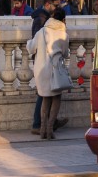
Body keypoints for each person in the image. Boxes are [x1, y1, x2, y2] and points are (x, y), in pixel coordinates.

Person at [28, 7, 70, 139]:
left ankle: (42, 130)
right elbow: (65, 53)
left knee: (45, 98)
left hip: (41, 70)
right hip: (55, 71)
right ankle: (50, 129)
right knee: (56, 98)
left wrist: (29, 42)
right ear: (63, 19)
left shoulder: (42, 31)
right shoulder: (64, 34)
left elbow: (31, 48)